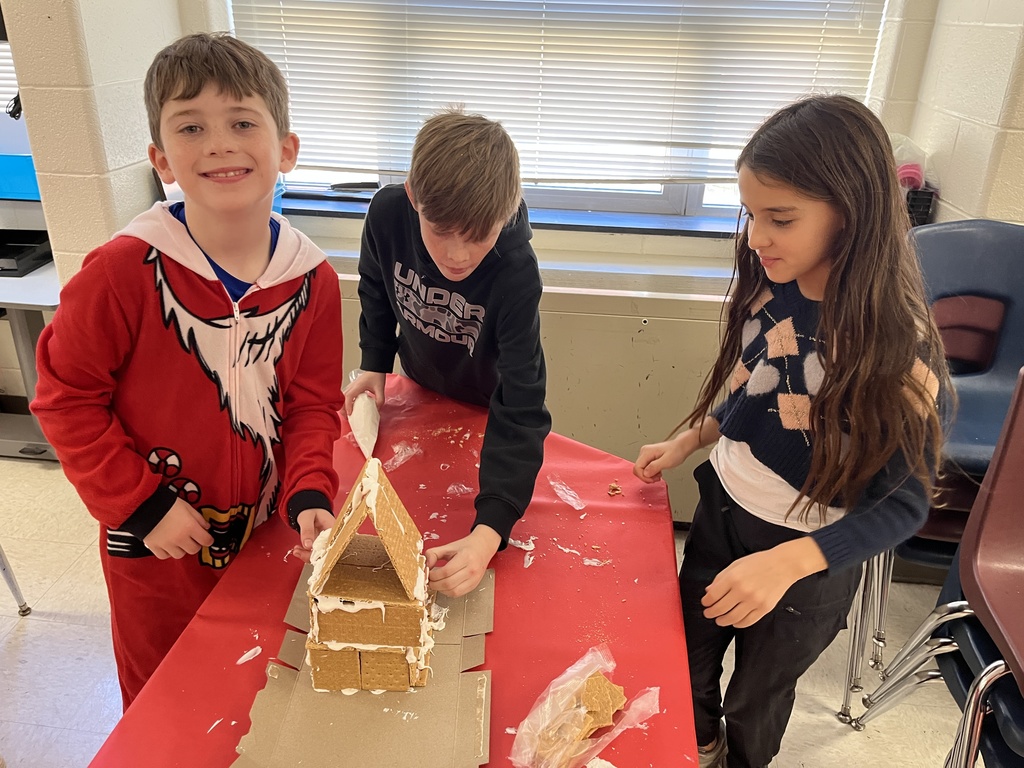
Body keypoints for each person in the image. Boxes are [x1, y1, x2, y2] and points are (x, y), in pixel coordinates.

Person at [633, 95, 951, 768]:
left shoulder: (900, 352)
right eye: (751, 214)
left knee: (758, 695)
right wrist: (696, 435)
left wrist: (790, 562)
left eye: (780, 219)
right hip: (724, 509)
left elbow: (903, 505)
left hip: (806, 556)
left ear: (852, 212)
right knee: (686, 650)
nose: (755, 238)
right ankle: (701, 744)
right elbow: (762, 384)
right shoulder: (776, 280)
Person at [30, 33, 343, 709]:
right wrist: (142, 505)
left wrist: (311, 491)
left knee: (251, 691)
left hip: (263, 535)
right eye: (191, 127)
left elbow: (314, 407)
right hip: (153, 550)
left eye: (242, 123)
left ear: (286, 149)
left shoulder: (314, 281)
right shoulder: (120, 274)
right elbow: (65, 401)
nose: (219, 144)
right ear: (162, 160)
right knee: (165, 705)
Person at [344, 107, 551, 599]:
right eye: (440, 232)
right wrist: (375, 359)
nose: (457, 255)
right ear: (414, 197)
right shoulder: (387, 213)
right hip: (418, 383)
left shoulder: (516, 271)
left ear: (507, 212)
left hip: (485, 405)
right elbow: (374, 284)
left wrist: (489, 533)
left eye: (479, 237)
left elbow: (522, 406)